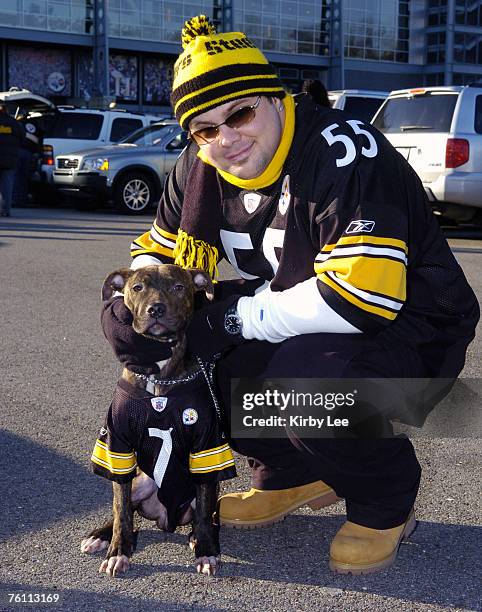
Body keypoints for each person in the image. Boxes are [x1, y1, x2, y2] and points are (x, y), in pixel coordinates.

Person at [102, 15, 479, 574]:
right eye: (204, 129)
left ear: (274, 98)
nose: (224, 139)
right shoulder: (198, 167)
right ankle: (290, 474)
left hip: (413, 323)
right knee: (209, 357)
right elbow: (158, 254)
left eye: (240, 113)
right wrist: (129, 302)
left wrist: (231, 318)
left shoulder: (345, 151)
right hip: (306, 307)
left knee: (299, 380)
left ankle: (386, 500)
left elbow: (358, 299)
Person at [13, 114, 43, 208]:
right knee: (24, 177)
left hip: (17, 152)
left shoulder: (17, 124)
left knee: (15, 177)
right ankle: (21, 200)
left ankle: (14, 200)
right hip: (29, 154)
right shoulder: (34, 125)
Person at [0, 104, 24, 217]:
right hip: (10, 160)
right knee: (7, 186)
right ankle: (6, 210)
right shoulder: (15, 123)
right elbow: (22, 138)